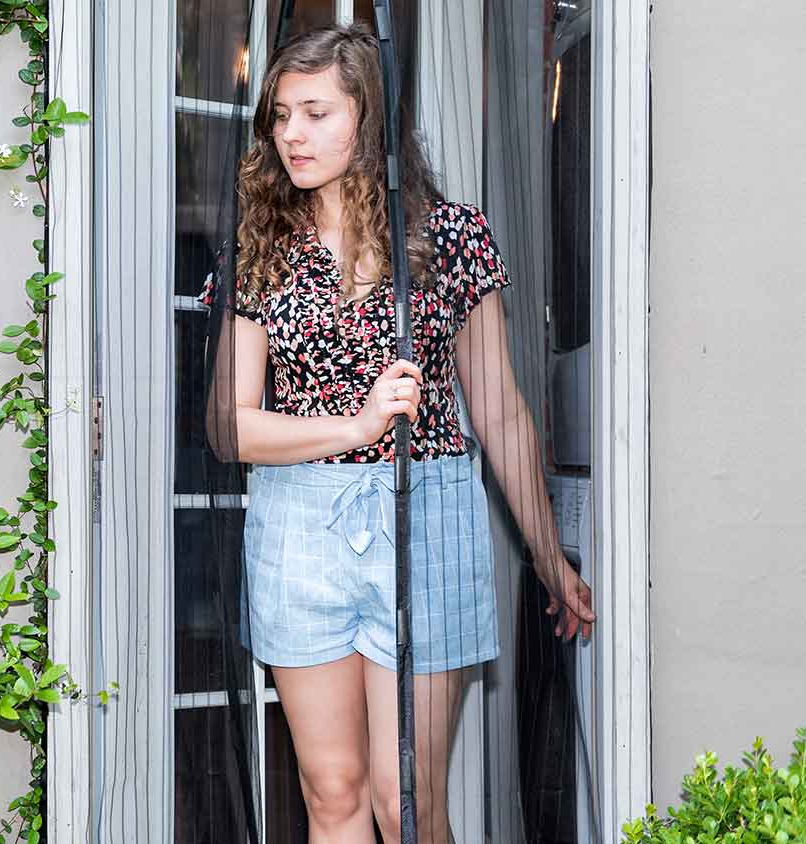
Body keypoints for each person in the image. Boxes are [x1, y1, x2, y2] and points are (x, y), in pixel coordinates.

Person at [196, 23, 597, 844]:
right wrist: (358, 422)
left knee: (405, 800)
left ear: (368, 120)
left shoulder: (450, 238)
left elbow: (499, 409)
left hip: (428, 517)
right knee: (333, 794)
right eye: (279, 116)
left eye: (314, 112)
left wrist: (552, 560)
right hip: (300, 525)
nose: (289, 135)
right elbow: (228, 428)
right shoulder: (259, 244)